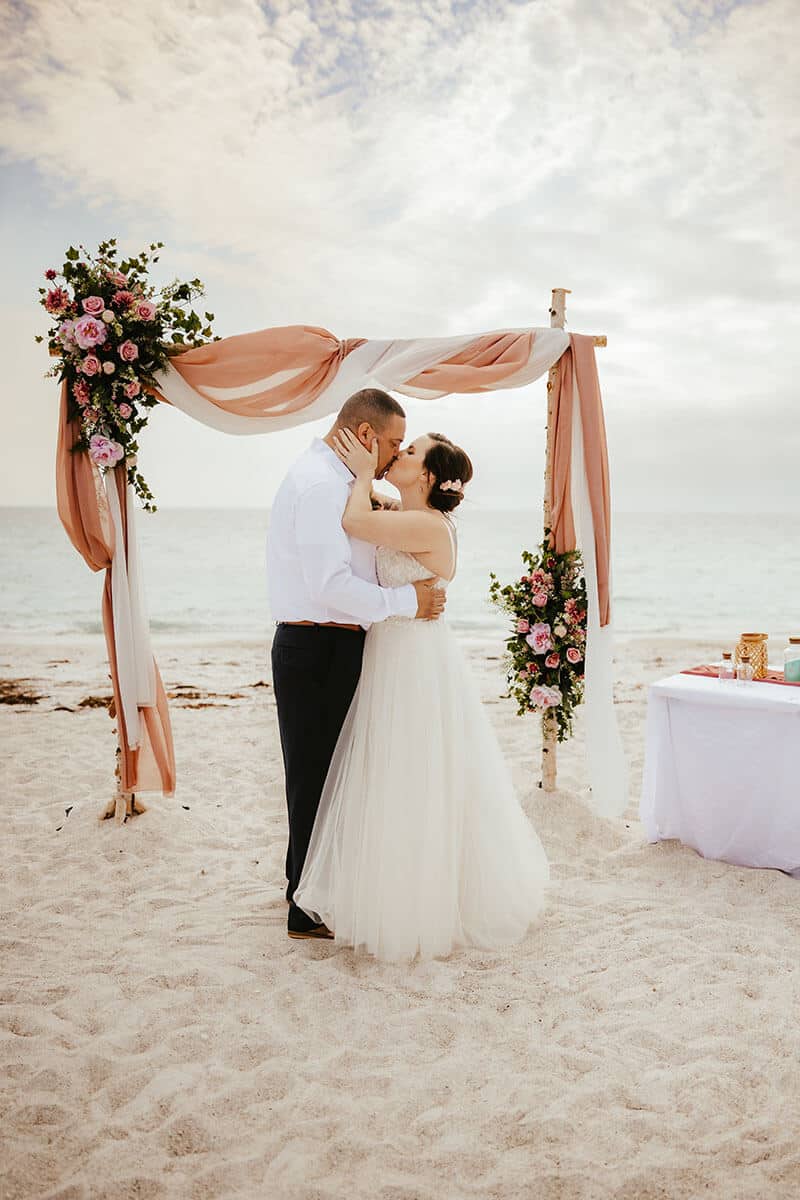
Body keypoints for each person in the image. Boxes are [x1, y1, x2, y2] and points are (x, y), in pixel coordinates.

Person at [293, 428, 550, 961]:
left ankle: (413, 900)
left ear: (428, 476)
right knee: (396, 773)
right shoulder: (413, 516)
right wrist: (373, 485)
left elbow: (354, 522)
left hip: (409, 659)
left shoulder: (425, 524)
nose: (402, 452)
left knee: (408, 772)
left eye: (411, 451)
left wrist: (363, 474)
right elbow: (377, 515)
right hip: (397, 651)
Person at [267, 389, 447, 940]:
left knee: (329, 777)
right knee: (315, 780)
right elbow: (331, 585)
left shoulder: (340, 482)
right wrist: (408, 601)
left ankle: (312, 893)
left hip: (331, 645)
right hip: (317, 646)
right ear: (366, 435)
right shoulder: (323, 485)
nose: (394, 455)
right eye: (394, 443)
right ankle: (303, 908)